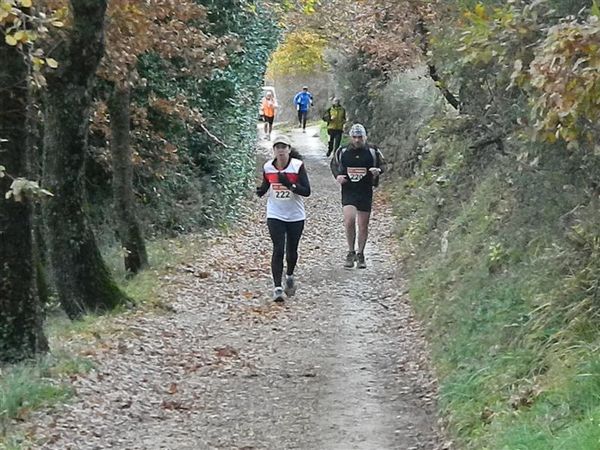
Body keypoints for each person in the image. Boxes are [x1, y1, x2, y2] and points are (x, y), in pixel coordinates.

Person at [256, 135, 311, 302]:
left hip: (295, 214)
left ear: (289, 149)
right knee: (278, 248)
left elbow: (306, 191)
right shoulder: (268, 167)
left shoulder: (297, 166)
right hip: (275, 213)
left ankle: (290, 275)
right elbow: (267, 185)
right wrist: (260, 191)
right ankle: (277, 288)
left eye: (283, 147)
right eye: (277, 147)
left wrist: (290, 185)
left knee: (292, 249)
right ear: (274, 150)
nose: (280, 150)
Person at [330, 123, 385, 269]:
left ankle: (361, 254)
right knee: (349, 220)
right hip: (349, 190)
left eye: (360, 137)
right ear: (350, 137)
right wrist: (338, 176)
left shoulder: (373, 151)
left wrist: (377, 171)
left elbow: (383, 165)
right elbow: (334, 165)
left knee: (363, 224)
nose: (357, 140)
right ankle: (350, 251)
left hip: (365, 190)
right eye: (354, 137)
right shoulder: (342, 151)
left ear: (365, 137)